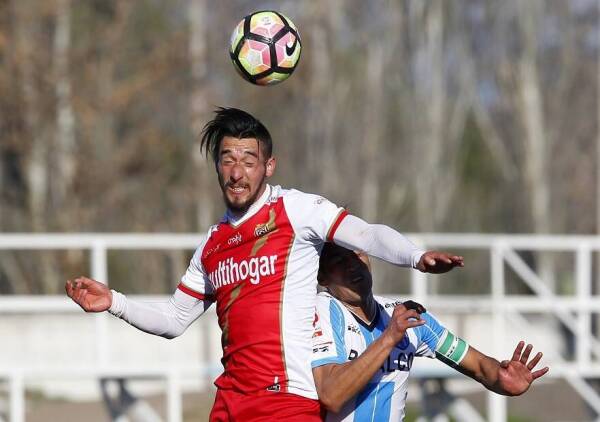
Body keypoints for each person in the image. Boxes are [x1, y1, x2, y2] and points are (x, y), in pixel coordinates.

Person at [65, 107, 464, 421]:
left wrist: (416, 257)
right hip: (229, 403)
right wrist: (114, 302)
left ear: (268, 166)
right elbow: (173, 319)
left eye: (248, 160)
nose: (236, 172)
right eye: (227, 160)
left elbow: (367, 235)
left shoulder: (296, 210)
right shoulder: (212, 243)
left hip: (287, 404)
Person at [311, 243, 549, 421]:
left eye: (357, 253)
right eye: (339, 260)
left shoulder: (406, 316)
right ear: (322, 276)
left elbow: (477, 365)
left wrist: (500, 378)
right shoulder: (321, 310)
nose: (353, 264)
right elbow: (332, 395)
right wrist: (389, 338)